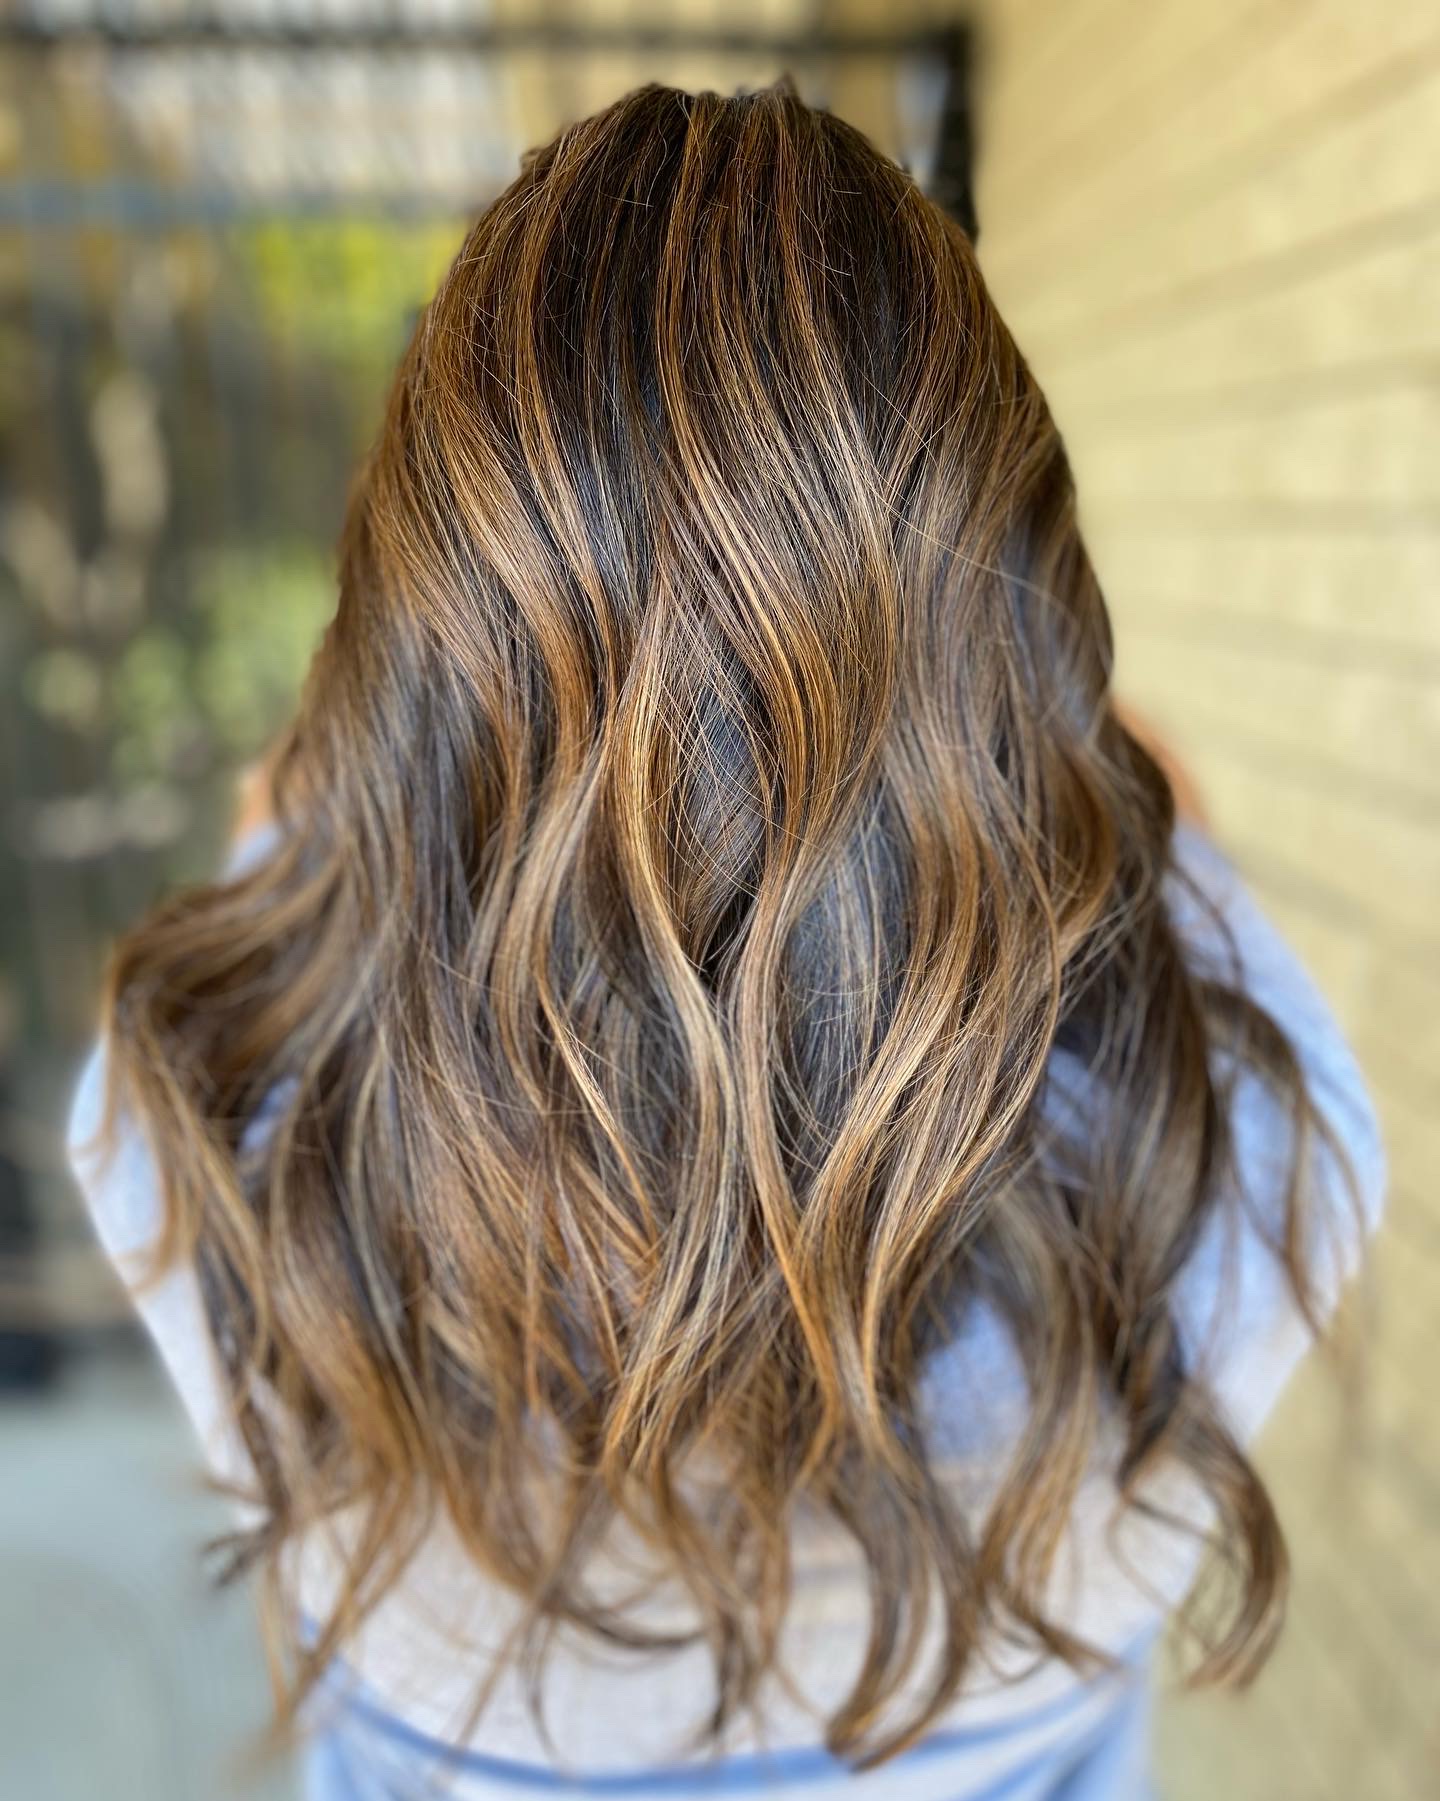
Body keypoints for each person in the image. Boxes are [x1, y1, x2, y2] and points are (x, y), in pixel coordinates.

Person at [68, 81, 1385, 1801]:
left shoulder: (210, 1141)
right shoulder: (1244, 1154)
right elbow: (1149, 792)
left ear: (405, 685)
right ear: (1025, 649)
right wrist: (915, 662)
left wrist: (508, 701)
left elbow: (292, 806)